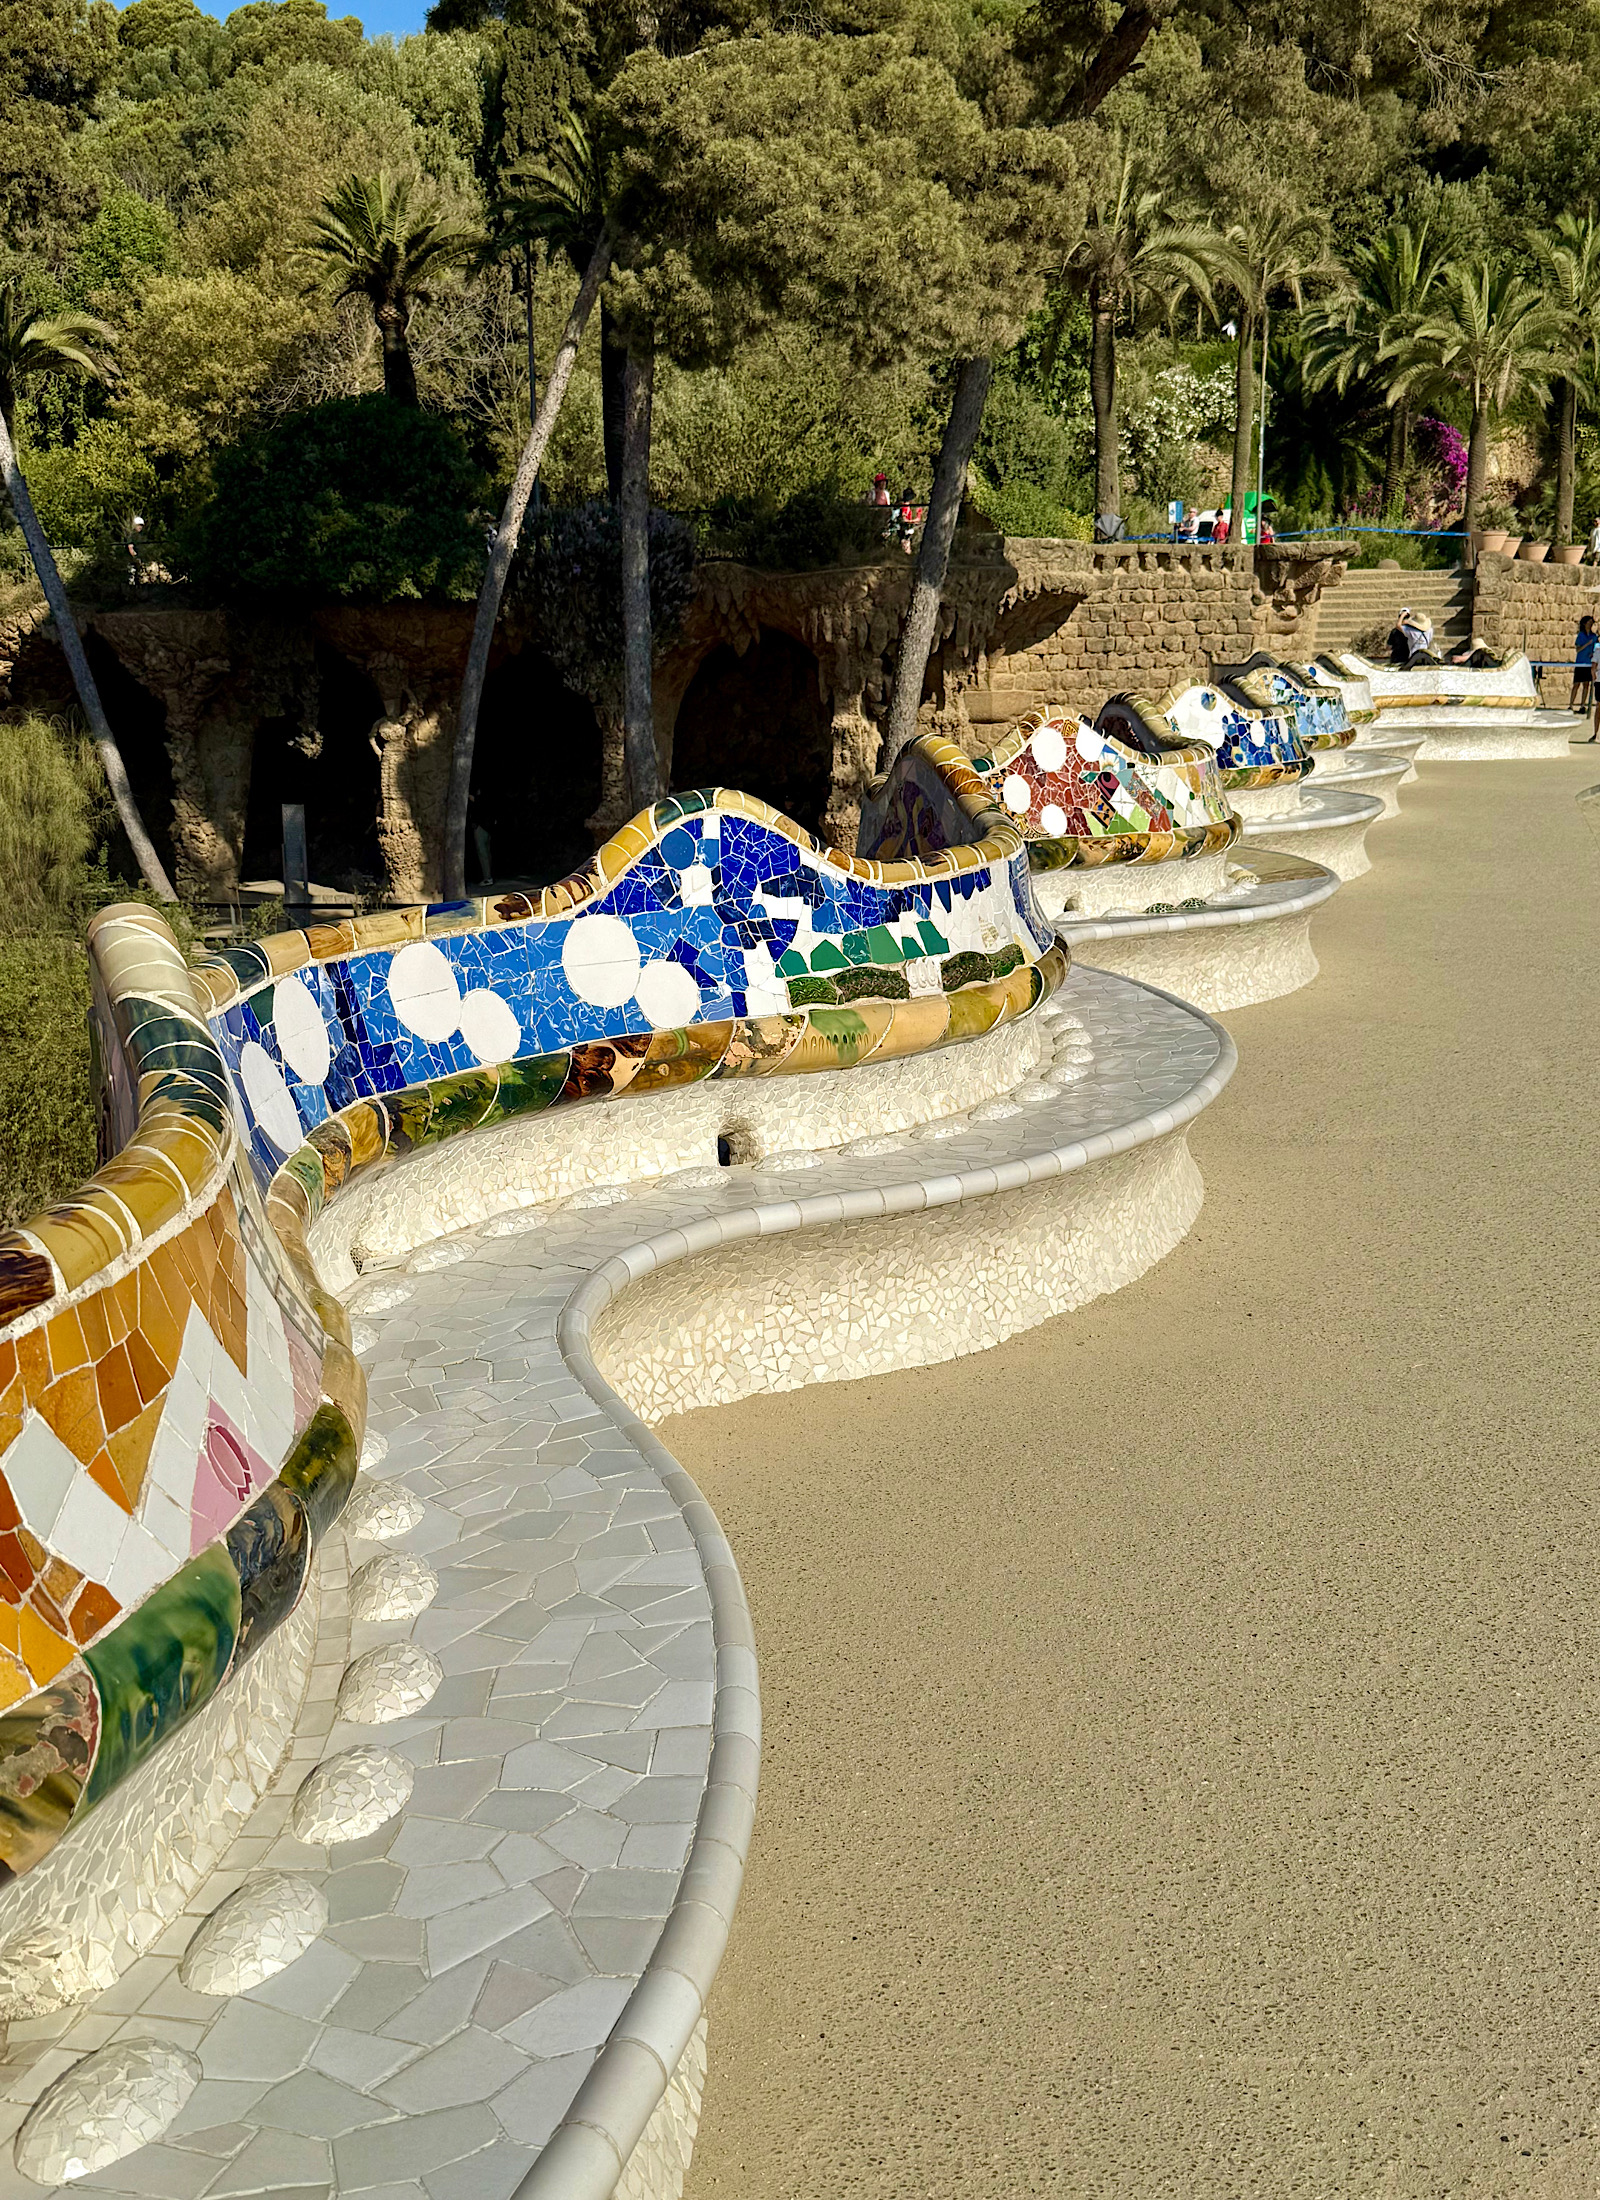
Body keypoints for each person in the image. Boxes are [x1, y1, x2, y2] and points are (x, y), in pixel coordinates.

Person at [1572, 615, 1597, 713]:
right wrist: (1587, 644)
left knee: (1586, 685)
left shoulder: (1594, 636)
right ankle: (1571, 705)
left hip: (1588, 664)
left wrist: (1594, 653)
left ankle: (1582, 705)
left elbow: (1597, 648)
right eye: (1589, 623)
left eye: (1591, 623)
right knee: (1576, 684)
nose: (1590, 625)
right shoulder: (1581, 635)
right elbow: (1578, 649)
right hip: (1580, 663)